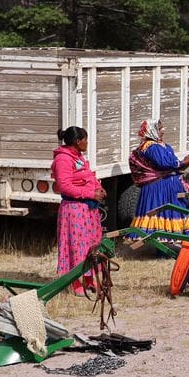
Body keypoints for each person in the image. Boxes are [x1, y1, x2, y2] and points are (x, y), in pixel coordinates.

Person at [125, 119, 189, 245]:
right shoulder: (151, 147)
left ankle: (176, 240)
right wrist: (184, 162)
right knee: (163, 213)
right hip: (159, 187)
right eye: (159, 128)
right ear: (152, 130)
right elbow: (164, 164)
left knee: (172, 212)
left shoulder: (161, 145)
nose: (163, 131)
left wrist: (183, 163)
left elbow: (172, 164)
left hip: (166, 186)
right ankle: (164, 244)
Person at [52, 126, 105, 294]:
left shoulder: (79, 157)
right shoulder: (63, 159)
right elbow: (65, 186)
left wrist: (99, 188)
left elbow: (88, 176)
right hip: (74, 211)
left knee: (91, 245)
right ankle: (75, 283)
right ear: (77, 141)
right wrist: (90, 193)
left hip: (88, 210)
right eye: (85, 139)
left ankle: (89, 279)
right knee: (77, 247)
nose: (87, 143)